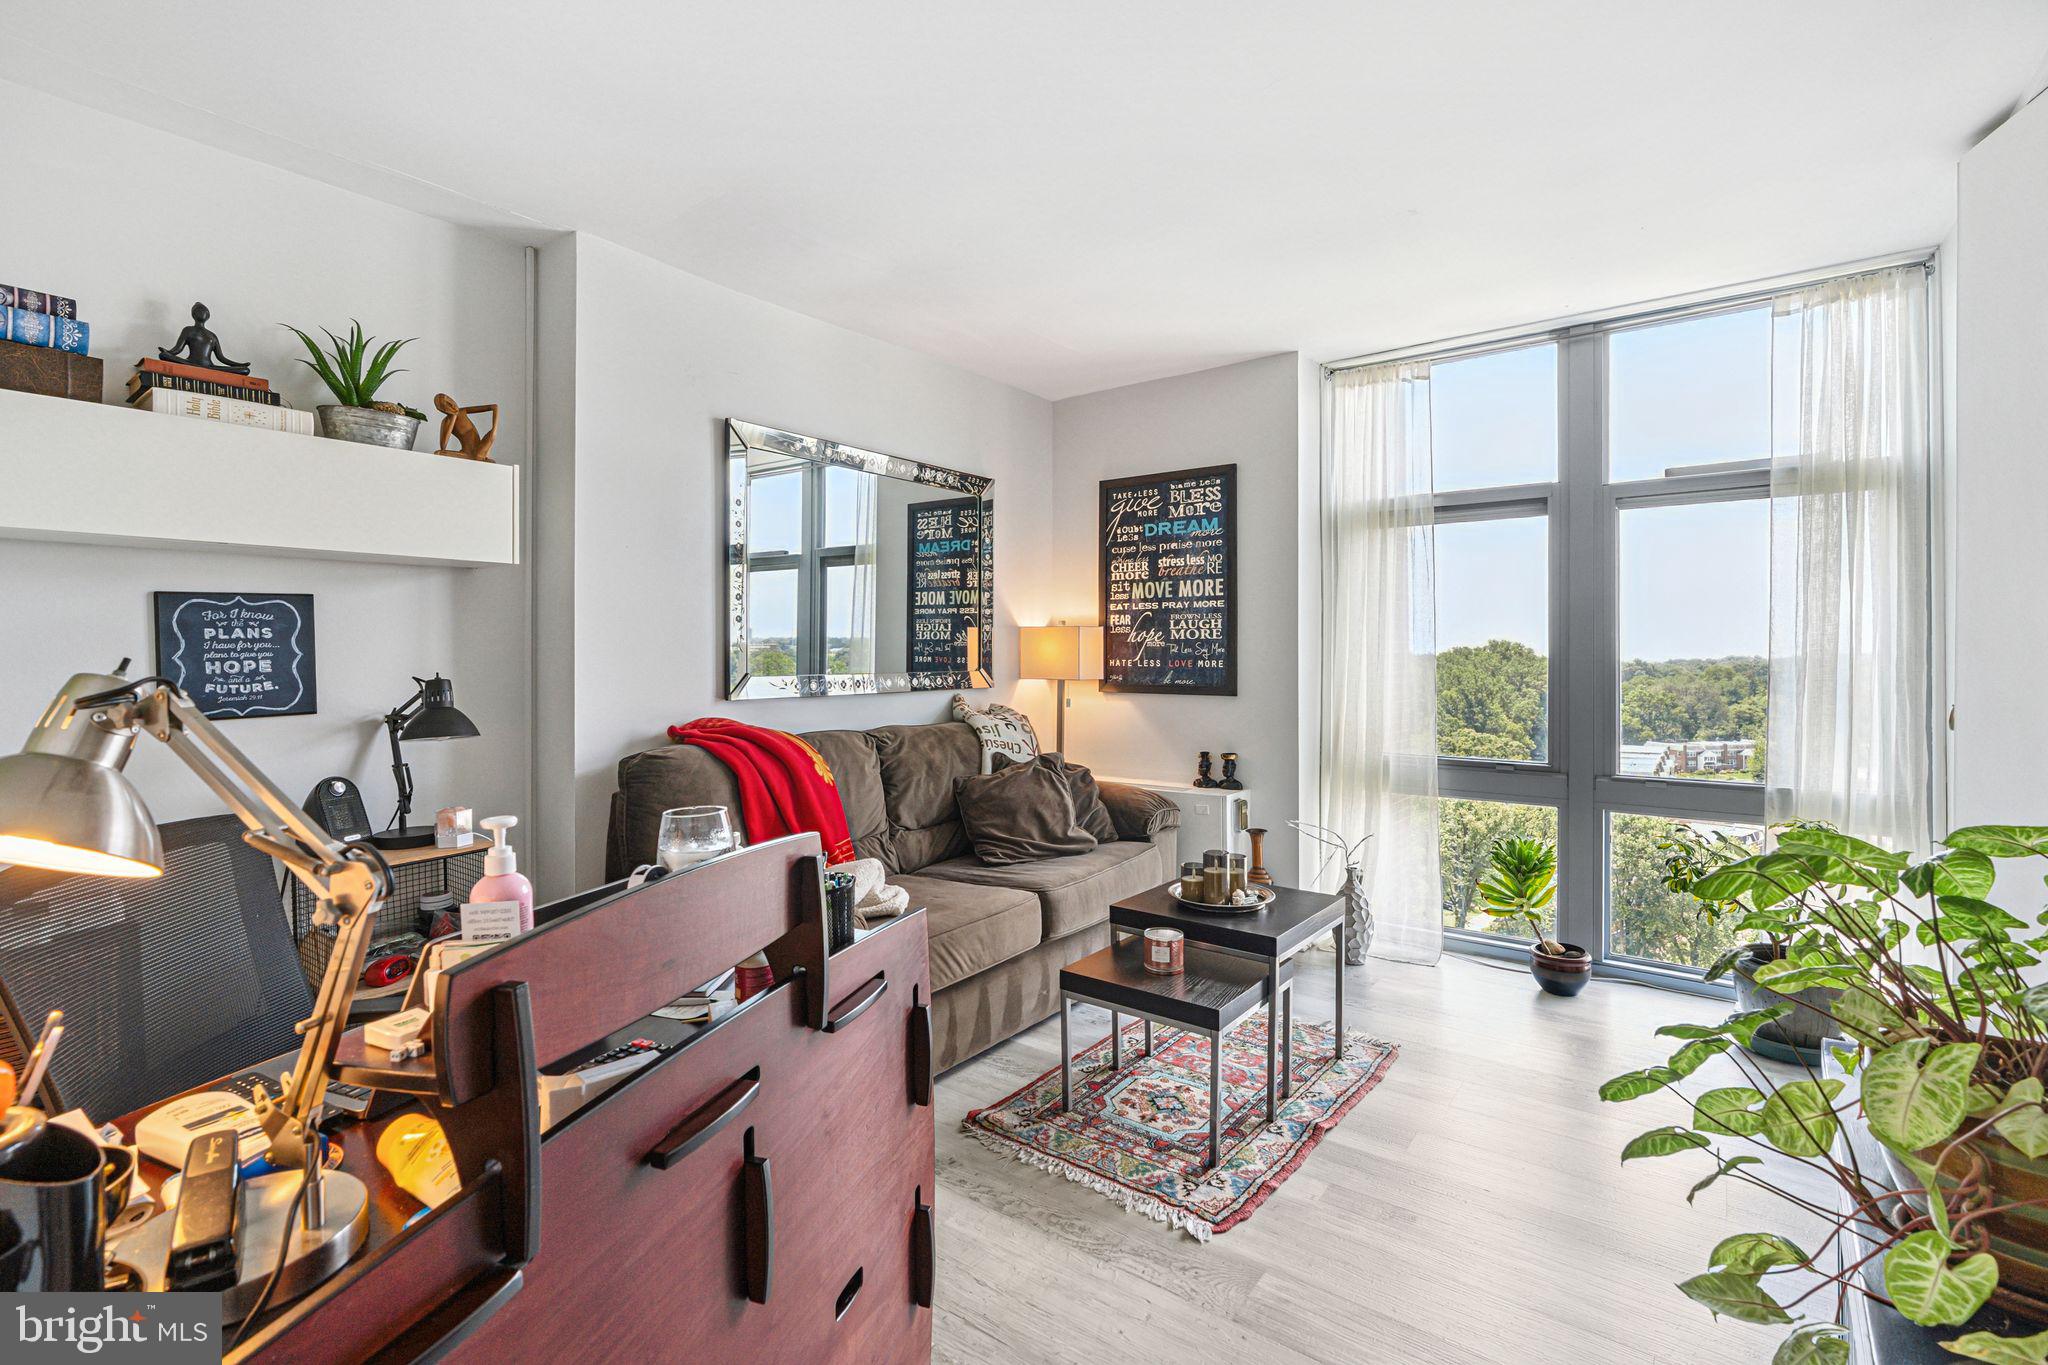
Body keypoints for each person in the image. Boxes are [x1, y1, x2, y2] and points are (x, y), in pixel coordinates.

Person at [158, 302, 251, 374]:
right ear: (194, 314)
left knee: (245, 370)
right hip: (190, 363)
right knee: (163, 355)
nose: (202, 313)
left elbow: (221, 357)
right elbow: (177, 349)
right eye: (199, 311)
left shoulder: (212, 336)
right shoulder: (188, 330)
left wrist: (239, 365)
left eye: (205, 312)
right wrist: (167, 352)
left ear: (208, 316)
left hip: (209, 366)